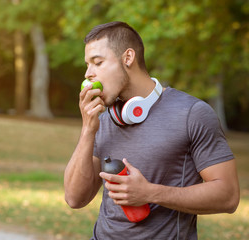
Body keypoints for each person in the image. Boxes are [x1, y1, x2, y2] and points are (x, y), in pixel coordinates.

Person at [64, 21, 240, 239]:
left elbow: (228, 196)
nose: (88, 74)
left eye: (97, 63)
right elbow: (74, 198)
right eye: (87, 65)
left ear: (128, 58)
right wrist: (88, 130)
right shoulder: (104, 120)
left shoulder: (192, 113)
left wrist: (150, 193)